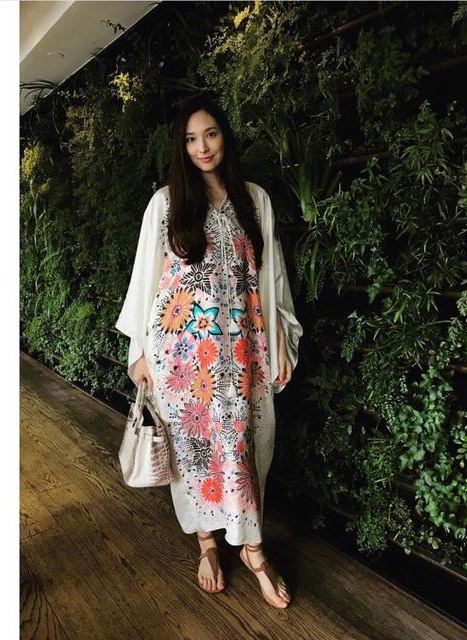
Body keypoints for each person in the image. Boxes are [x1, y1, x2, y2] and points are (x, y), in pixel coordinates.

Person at [115, 95, 303, 608]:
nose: (202, 147)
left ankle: (253, 550)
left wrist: (281, 340)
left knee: (244, 449)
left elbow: (272, 276)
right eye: (191, 139)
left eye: (211, 134)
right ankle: (207, 545)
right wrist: (140, 351)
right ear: (180, 146)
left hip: (242, 356)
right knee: (194, 455)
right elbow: (147, 281)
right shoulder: (166, 204)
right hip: (181, 363)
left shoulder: (255, 200)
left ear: (225, 137)